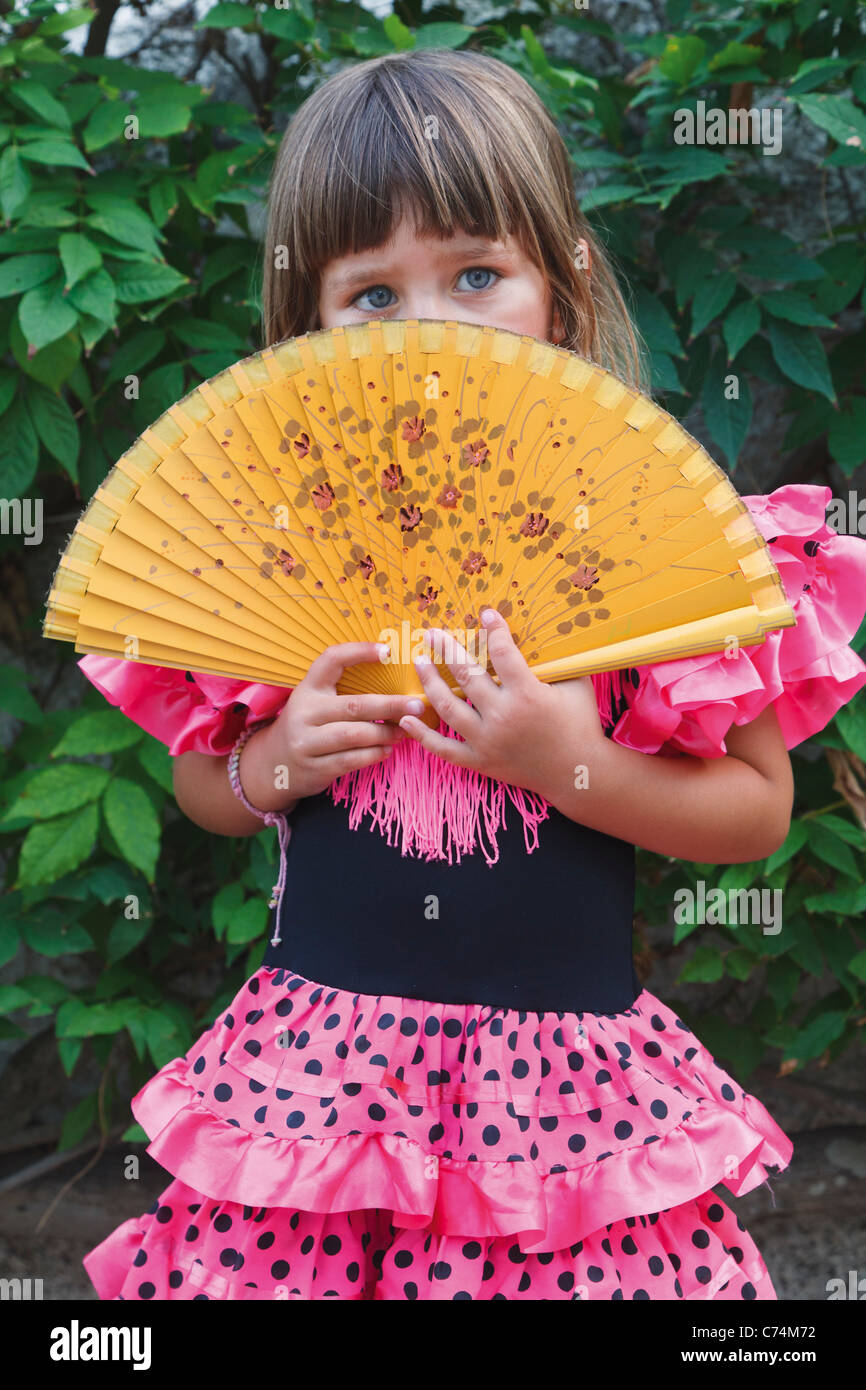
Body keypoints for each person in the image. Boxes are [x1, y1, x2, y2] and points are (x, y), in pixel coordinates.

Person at [76, 50, 866, 1300]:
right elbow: (203, 784)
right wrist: (276, 760)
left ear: (562, 289)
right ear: (309, 327)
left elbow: (755, 810)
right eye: (372, 294)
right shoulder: (282, 546)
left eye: (477, 275)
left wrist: (564, 761)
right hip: (322, 1089)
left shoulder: (654, 545)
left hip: (562, 1104)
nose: (430, 323)